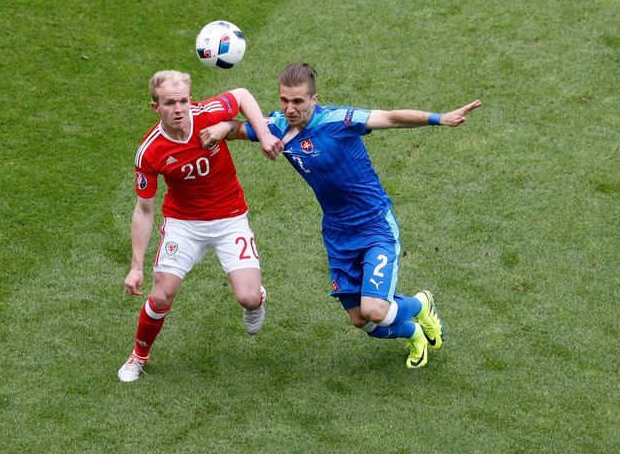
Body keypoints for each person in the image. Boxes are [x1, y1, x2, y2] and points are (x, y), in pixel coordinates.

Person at [201, 63, 481, 369]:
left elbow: (390, 117)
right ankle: (414, 332)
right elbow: (242, 128)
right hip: (337, 233)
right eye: (284, 100)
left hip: (374, 226)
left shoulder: (339, 120)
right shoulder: (278, 126)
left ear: (314, 99)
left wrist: (439, 119)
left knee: (375, 310)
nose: (289, 108)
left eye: (297, 101)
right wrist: (223, 128)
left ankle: (420, 303)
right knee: (361, 320)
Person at [118, 70, 283, 382]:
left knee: (247, 297)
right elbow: (143, 209)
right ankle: (138, 355)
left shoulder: (207, 115)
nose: (178, 109)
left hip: (230, 219)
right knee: (162, 295)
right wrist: (136, 266)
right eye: (169, 103)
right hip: (185, 224)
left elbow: (243, 95)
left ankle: (256, 299)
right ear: (156, 107)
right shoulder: (150, 151)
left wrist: (263, 136)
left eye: (183, 101)